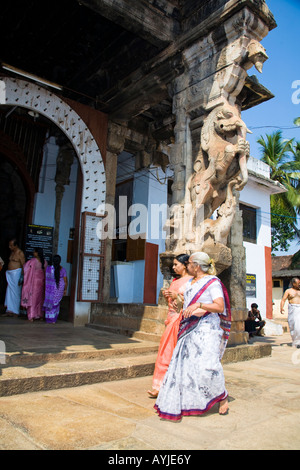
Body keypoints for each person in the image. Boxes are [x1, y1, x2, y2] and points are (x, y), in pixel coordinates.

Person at [154, 251, 231, 421]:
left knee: (207, 366)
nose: (187, 265)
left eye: (189, 263)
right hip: (188, 327)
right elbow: (187, 305)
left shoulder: (213, 282)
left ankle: (222, 396)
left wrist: (200, 304)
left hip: (206, 329)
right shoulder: (190, 283)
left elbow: (219, 307)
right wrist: (176, 299)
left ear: (196, 266)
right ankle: (185, 402)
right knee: (186, 368)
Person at [148, 254, 192, 398]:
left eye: (176, 264)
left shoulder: (193, 282)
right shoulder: (175, 281)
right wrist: (169, 295)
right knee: (165, 353)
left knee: (180, 356)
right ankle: (159, 386)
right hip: (172, 320)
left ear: (185, 265)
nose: (173, 267)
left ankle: (176, 387)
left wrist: (177, 296)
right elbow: (171, 304)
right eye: (173, 265)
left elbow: (195, 302)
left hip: (183, 322)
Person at [21, 248, 47, 322]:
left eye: (34, 252)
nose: (33, 253)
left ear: (37, 253)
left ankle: (32, 315)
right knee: (40, 299)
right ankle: (40, 315)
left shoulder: (32, 261)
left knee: (33, 299)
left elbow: (25, 268)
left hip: (34, 282)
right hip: (42, 282)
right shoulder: (45, 262)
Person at [43, 255, 67, 324]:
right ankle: (54, 319)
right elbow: (65, 281)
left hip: (50, 289)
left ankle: (49, 319)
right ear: (60, 261)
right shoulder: (63, 269)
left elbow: (46, 279)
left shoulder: (49, 269)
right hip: (59, 288)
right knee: (56, 303)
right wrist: (65, 290)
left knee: (51, 302)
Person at [4, 238, 25, 316]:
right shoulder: (12, 252)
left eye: (11, 245)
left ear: (16, 245)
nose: (10, 247)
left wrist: (22, 277)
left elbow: (23, 265)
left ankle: (15, 311)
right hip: (10, 274)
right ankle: (9, 310)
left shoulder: (20, 253)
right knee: (9, 292)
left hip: (17, 274)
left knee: (16, 292)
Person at [280, 277, 300, 347]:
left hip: (299, 308)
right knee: (293, 326)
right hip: (293, 309)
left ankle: (298, 342)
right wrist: (281, 307)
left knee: (299, 326)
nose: (299, 284)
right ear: (294, 283)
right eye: (298, 283)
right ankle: (295, 341)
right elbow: (283, 299)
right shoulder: (288, 291)